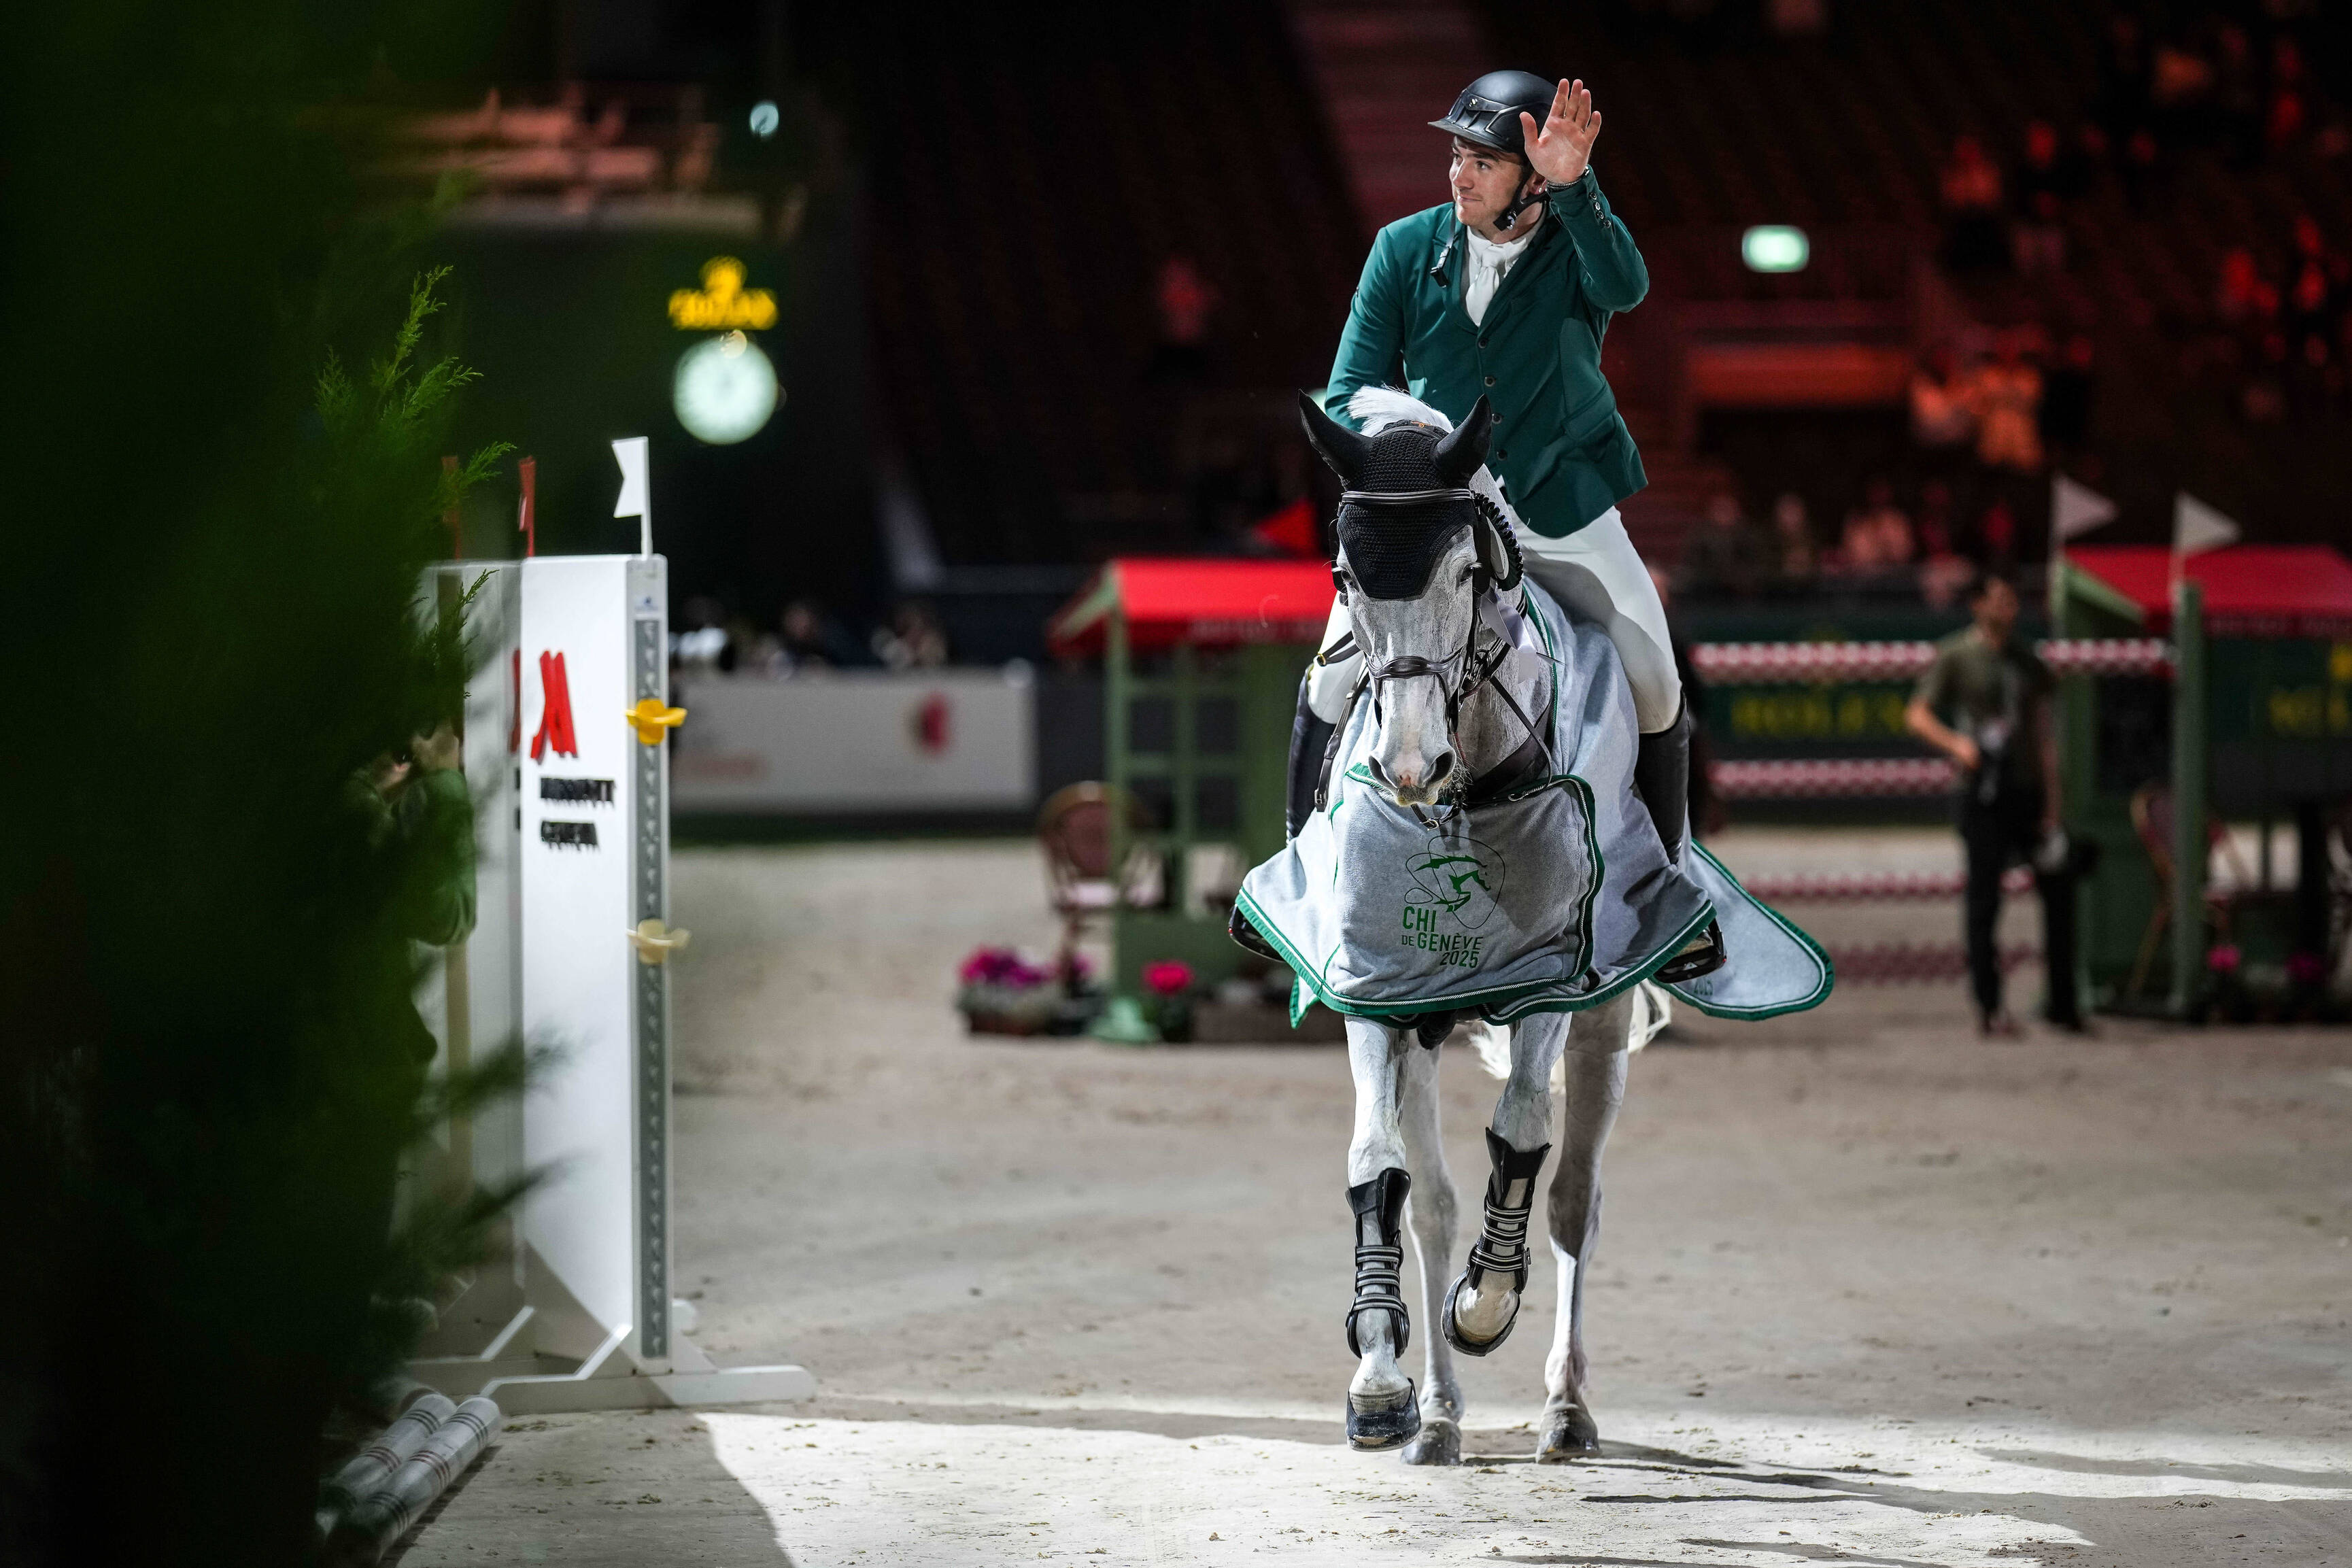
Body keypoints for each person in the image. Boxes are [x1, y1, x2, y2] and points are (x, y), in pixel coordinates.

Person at [1308, 67, 1721, 980]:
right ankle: (1300, 874)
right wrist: (1422, 450)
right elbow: (1347, 391)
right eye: (1455, 154)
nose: (1458, 174)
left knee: (1655, 683)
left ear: (1532, 177)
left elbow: (1630, 283)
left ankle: (1669, 897)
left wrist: (1580, 187)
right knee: (1329, 680)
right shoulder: (1399, 248)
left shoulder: (1575, 246)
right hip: (1446, 514)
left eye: (1483, 161)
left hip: (1562, 503)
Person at [1905, 570, 2081, 1036]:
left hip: (2026, 791)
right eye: (2000, 601)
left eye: (2013, 601)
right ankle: (1989, 1005)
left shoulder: (2027, 661)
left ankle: (2064, 1002)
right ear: (1978, 605)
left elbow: (2044, 732)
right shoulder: (1957, 655)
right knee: (1984, 902)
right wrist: (1957, 744)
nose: (2009, 610)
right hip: (1980, 791)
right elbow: (1917, 714)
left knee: (2060, 889)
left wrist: (2053, 803)